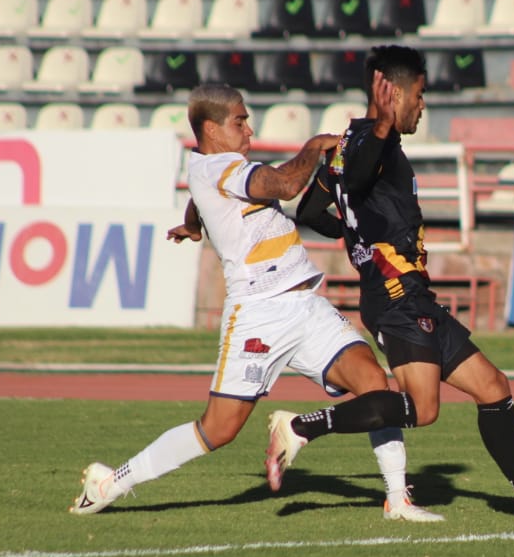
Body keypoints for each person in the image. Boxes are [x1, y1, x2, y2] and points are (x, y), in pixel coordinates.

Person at [70, 83, 442, 523]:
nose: (249, 129)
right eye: (240, 121)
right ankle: (110, 483)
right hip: (258, 313)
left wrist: (194, 224)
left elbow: (199, 199)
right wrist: (312, 147)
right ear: (211, 129)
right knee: (218, 429)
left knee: (375, 383)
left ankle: (397, 499)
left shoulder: (209, 169)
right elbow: (286, 185)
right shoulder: (221, 167)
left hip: (304, 304)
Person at [276, 45, 514, 524]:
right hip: (396, 297)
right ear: (395, 95)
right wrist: (382, 131)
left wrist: (360, 234)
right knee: (422, 409)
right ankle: (302, 426)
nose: (423, 106)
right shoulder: (373, 143)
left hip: (412, 294)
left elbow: (309, 211)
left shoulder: (347, 143)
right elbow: (357, 177)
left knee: (493, 386)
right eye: (420, 95)